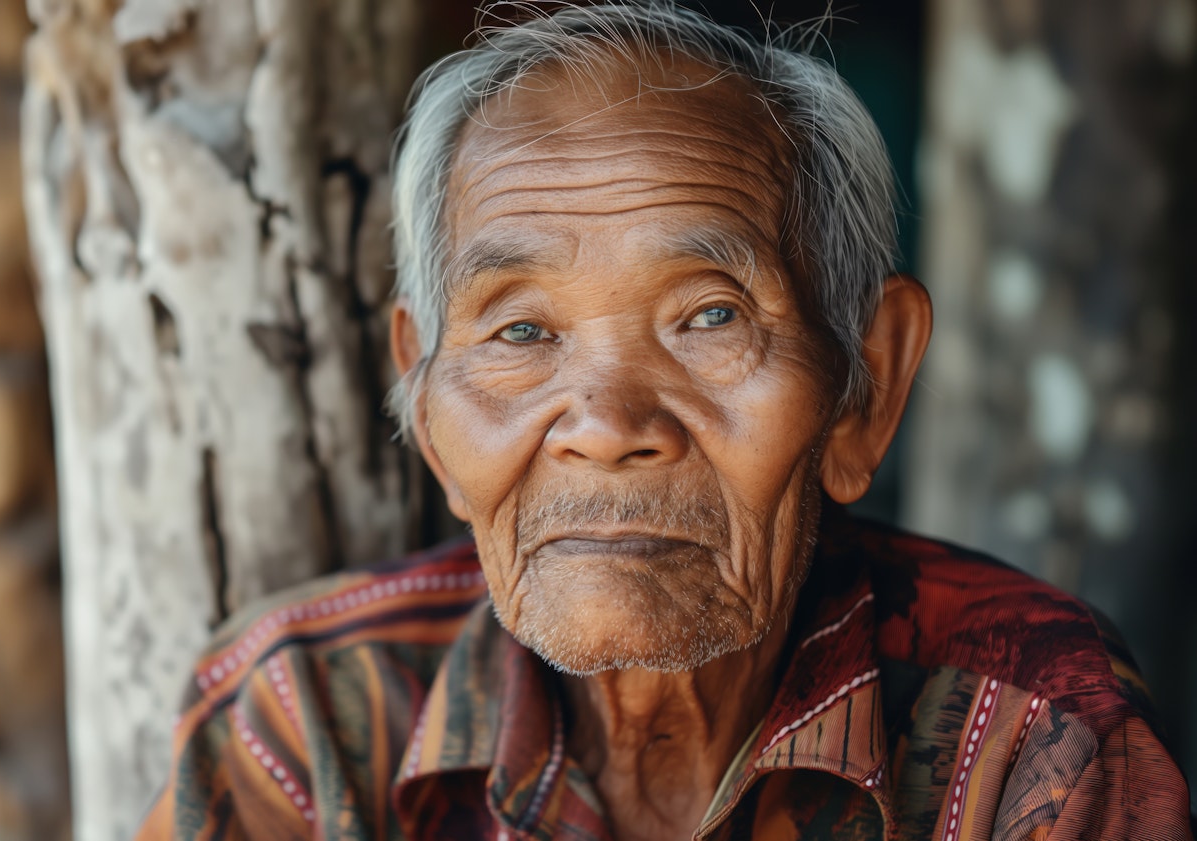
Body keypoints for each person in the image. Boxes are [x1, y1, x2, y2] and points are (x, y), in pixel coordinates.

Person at [135, 3, 1194, 839]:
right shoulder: (306, 725)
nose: (605, 424)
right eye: (520, 332)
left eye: (709, 316)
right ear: (420, 388)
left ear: (864, 385)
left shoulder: (1026, 733)